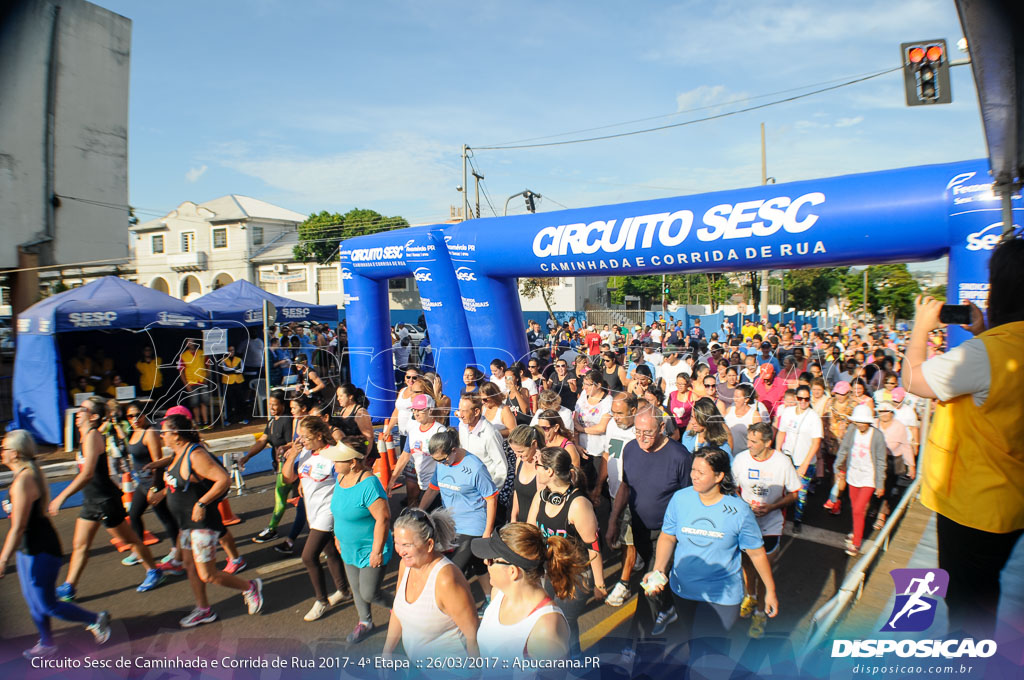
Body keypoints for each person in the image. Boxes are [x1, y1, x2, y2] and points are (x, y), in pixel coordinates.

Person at [904, 241, 1024, 637]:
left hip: (973, 506)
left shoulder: (983, 354)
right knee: (986, 589)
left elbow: (913, 381)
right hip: (1011, 501)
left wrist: (921, 329)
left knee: (968, 606)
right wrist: (986, 330)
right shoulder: (999, 346)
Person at [643, 447, 777, 652]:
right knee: (693, 641)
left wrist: (770, 591)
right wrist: (659, 569)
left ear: (719, 476)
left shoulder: (739, 510)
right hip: (683, 591)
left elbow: (757, 553)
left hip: (721, 597)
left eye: (701, 472)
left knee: (708, 650)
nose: (693, 476)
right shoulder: (680, 499)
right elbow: (668, 536)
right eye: (693, 470)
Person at [0, 430, 112, 660]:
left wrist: (2, 560)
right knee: (33, 603)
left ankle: (95, 619)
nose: (1, 452)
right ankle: (47, 643)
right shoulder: (23, 475)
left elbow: (18, 527)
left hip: (40, 550)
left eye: (3, 448)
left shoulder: (24, 480)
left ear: (15, 453)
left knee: (47, 604)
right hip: (26, 549)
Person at [150, 414, 263, 627]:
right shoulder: (177, 453)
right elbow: (181, 483)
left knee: (208, 574)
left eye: (164, 432)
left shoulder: (195, 455)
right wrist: (162, 493)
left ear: (176, 434)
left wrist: (201, 503)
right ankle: (204, 610)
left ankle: (249, 587)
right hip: (186, 526)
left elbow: (223, 479)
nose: (161, 436)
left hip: (202, 525)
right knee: (190, 568)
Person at [49, 398, 164, 601]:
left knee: (130, 540)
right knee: (80, 545)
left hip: (105, 501)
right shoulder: (84, 436)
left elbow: (87, 474)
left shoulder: (93, 436)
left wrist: (61, 496)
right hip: (91, 501)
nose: (78, 413)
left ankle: (154, 571)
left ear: (93, 416)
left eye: (83, 410)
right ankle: (69, 586)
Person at [607, 408, 692, 641]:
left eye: (648, 432)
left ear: (662, 429)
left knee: (651, 585)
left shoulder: (680, 457)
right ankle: (669, 608)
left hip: (667, 535)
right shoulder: (631, 448)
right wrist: (613, 521)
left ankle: (636, 643)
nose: (641, 437)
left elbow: (688, 499)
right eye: (637, 431)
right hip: (639, 529)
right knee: (653, 577)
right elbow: (625, 487)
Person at [527, 446, 606, 655]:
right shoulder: (542, 496)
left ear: (550, 471)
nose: (534, 468)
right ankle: (572, 658)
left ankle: (571, 664)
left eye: (538, 465)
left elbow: (593, 546)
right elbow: (531, 531)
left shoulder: (578, 505)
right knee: (552, 616)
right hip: (549, 570)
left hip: (575, 573)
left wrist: (599, 583)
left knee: (565, 621)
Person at [472, 523, 588, 661]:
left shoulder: (546, 628)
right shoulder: (498, 594)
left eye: (491, 560)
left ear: (512, 571)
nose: (485, 562)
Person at [383, 508, 481, 660]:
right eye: (397, 543)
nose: (400, 551)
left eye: (407, 545)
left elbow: (472, 634)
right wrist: (387, 651)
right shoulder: (406, 565)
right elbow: (398, 611)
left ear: (429, 545)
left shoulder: (445, 580)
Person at [732, 422, 800, 638]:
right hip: (745, 522)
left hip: (770, 525)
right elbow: (732, 488)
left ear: (768, 442)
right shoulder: (741, 459)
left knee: (764, 571)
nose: (749, 444)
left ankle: (760, 612)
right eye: (748, 440)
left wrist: (772, 507)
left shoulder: (782, 463)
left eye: (754, 441)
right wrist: (743, 506)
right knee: (746, 564)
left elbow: (795, 493)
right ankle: (750, 596)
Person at [282, 416, 352, 621]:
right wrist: (292, 454)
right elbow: (288, 478)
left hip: (328, 511)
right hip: (311, 511)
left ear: (319, 435)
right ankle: (343, 590)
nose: (301, 440)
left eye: (306, 437)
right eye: (300, 436)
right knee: (329, 550)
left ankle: (321, 600)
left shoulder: (333, 455)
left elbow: (346, 481)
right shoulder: (304, 453)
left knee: (308, 556)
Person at [418, 430, 498, 602]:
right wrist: (419, 510)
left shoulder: (475, 468)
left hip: (472, 525)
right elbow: (433, 489)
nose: (440, 464)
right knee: (477, 564)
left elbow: (491, 499)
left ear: (453, 450)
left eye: (442, 459)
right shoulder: (441, 463)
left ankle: (453, 608)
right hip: (449, 524)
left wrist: (487, 532)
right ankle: (490, 598)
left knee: (453, 569)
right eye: (436, 460)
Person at [329, 436, 394, 643]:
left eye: (338, 459)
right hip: (348, 547)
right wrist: (337, 537)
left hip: (370, 549)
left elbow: (383, 519)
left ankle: (401, 608)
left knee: (369, 593)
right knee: (356, 589)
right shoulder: (340, 478)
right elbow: (338, 512)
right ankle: (365, 622)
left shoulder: (369, 484)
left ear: (353, 463)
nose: (334, 463)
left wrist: (376, 551)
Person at [596, 393, 642, 607]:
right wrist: (599, 486)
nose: (615, 417)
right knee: (622, 537)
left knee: (627, 540)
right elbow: (608, 455)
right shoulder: (613, 427)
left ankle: (624, 583)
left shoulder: (641, 430)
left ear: (633, 411)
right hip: (615, 493)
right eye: (613, 412)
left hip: (635, 496)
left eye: (620, 413)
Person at [122, 404, 180, 569]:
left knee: (165, 517)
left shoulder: (150, 433)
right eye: (130, 416)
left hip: (154, 483)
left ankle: (177, 550)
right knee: (134, 514)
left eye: (137, 415)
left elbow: (158, 462)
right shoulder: (133, 432)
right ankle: (139, 550)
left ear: (145, 414)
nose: (134, 419)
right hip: (142, 483)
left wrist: (155, 488)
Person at [833, 404, 887, 557]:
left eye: (864, 422)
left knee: (858, 509)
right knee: (855, 508)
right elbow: (844, 448)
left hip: (869, 477)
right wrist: (837, 466)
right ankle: (857, 531)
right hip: (853, 475)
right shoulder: (852, 431)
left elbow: (881, 460)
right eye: (858, 421)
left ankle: (856, 543)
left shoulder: (877, 436)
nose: (861, 425)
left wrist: (880, 483)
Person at [241, 391, 294, 543]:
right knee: (296, 501)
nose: (271, 407)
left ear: (282, 405)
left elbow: (291, 443)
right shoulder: (272, 421)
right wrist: (247, 456)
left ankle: (272, 529)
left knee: (281, 498)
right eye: (269, 404)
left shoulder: (286, 420)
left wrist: (283, 452)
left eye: (275, 404)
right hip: (279, 466)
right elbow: (262, 441)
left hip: (287, 467)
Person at [775, 384, 823, 533]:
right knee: (781, 490)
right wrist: (777, 451)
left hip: (805, 462)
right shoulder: (788, 412)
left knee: (801, 493)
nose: (803, 401)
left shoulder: (814, 417)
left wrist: (805, 464)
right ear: (796, 398)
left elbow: (816, 443)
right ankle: (779, 518)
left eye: (806, 399)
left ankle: (797, 519)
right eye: (800, 398)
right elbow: (781, 432)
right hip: (787, 458)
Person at [390, 393, 446, 508]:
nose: (416, 413)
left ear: (430, 410)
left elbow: (446, 460)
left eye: (420, 410)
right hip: (421, 483)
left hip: (438, 487)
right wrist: (392, 479)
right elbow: (404, 456)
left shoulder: (440, 431)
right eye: (414, 410)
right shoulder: (413, 431)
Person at [456, 394, 512, 504]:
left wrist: (489, 495)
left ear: (476, 412)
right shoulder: (462, 426)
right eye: (459, 410)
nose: (460, 415)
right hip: (466, 489)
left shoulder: (490, 434)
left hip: (483, 495)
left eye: (464, 411)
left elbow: (501, 468)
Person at [873, 401, 916, 530]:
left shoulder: (900, 427)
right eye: (881, 411)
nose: (884, 414)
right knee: (874, 485)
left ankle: (881, 514)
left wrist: (911, 465)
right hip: (876, 459)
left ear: (892, 413)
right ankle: (876, 506)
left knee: (887, 487)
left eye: (887, 411)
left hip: (892, 460)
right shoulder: (874, 424)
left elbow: (905, 446)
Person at [508, 424, 543, 524]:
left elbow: (541, 495)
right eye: (514, 451)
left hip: (536, 524)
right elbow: (517, 491)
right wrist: (513, 518)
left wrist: (539, 465)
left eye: (520, 451)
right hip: (521, 522)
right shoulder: (520, 461)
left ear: (534, 444)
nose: (517, 455)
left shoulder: (544, 464)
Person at [178, 339, 212, 428]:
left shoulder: (202, 353)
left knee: (204, 402)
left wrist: (207, 376)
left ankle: (206, 422)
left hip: (202, 381)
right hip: (191, 382)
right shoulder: (183, 355)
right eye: (189, 342)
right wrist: (186, 384)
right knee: (195, 403)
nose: (191, 343)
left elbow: (208, 365)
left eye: (192, 341)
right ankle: (198, 422)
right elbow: (181, 371)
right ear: (186, 344)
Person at [334, 383, 374, 455]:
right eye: (337, 396)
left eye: (341, 396)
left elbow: (369, 437)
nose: (338, 399)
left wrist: (365, 455)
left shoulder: (360, 413)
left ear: (350, 396)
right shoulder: (341, 411)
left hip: (361, 452)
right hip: (349, 451)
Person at [218, 345, 246, 425]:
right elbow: (225, 370)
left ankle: (241, 418)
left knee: (240, 400)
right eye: (229, 350)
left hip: (238, 382)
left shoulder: (239, 359)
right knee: (229, 402)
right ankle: (229, 419)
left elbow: (241, 370)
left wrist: (231, 370)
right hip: (228, 383)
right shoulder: (223, 360)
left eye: (232, 350)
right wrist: (234, 369)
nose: (231, 352)